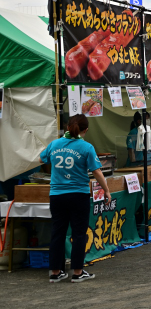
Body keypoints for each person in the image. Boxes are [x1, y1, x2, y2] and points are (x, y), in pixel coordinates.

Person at [39, 114, 110, 283]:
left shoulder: (54, 144)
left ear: (67, 127)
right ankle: (77, 272)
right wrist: (106, 190)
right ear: (85, 130)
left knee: (57, 233)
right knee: (78, 233)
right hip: (78, 194)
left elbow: (42, 158)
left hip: (57, 195)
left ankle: (55, 272)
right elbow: (97, 171)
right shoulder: (86, 147)